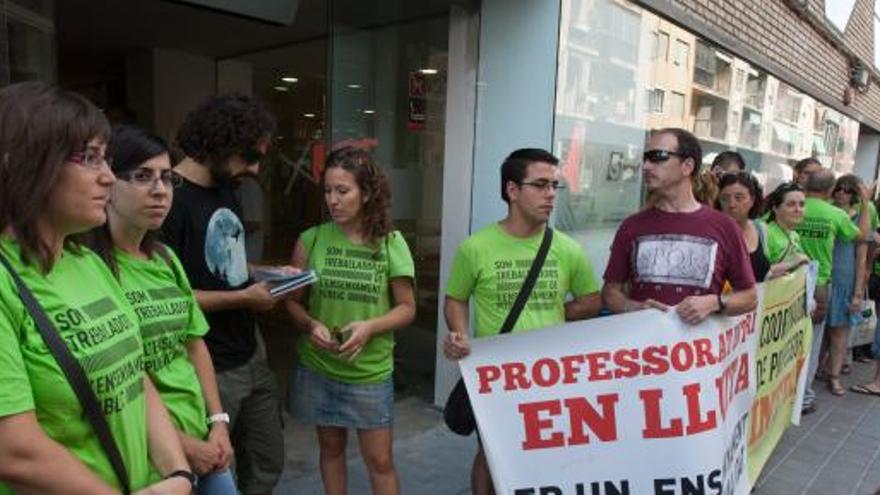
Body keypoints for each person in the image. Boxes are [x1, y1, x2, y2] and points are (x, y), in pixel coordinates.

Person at [0, 82, 191, 494]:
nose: (108, 177)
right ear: (27, 164)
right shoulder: (5, 279)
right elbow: (13, 450)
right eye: (89, 158)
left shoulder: (89, 262)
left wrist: (179, 473)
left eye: (105, 159)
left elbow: (134, 375)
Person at [84, 125, 237, 493]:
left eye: (167, 179)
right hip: (147, 453)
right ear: (107, 182)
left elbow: (194, 343)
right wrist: (184, 448)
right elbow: (116, 378)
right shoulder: (88, 267)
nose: (159, 191)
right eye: (141, 177)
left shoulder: (165, 259)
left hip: (203, 438)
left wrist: (217, 421)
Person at [443, 148, 602, 495]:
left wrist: (558, 314)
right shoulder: (476, 247)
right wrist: (459, 334)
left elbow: (592, 300)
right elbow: (455, 298)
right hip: (496, 373)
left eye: (555, 187)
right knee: (490, 454)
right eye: (540, 185)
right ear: (512, 191)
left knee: (543, 455)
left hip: (550, 374)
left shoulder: (567, 249)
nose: (550, 195)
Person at [162, 93, 285, 495]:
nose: (254, 167)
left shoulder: (225, 185)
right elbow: (166, 300)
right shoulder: (167, 201)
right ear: (220, 140)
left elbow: (223, 266)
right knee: (215, 472)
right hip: (209, 364)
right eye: (249, 154)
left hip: (252, 350)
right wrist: (244, 299)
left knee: (267, 462)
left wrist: (267, 272)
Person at [285, 147, 416, 495]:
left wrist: (370, 327)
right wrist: (311, 325)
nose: (333, 200)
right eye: (328, 191)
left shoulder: (390, 243)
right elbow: (292, 304)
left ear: (367, 193)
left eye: (342, 191)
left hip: (369, 372)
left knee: (381, 462)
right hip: (319, 368)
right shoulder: (311, 240)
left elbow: (407, 307)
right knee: (330, 451)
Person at [603, 128, 757, 324]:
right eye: (645, 158)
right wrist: (632, 307)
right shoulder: (631, 226)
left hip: (701, 351)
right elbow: (610, 292)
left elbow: (750, 297)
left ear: (687, 166)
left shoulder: (724, 226)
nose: (646, 166)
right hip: (642, 350)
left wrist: (714, 302)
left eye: (658, 157)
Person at [794, 168, 870, 414]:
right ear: (829, 190)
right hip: (818, 285)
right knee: (812, 342)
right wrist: (866, 203)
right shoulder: (835, 214)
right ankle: (803, 396)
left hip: (787, 279)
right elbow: (861, 236)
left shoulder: (793, 205)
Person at [820, 174, 871, 396]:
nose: (841, 192)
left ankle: (834, 376)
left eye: (847, 190)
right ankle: (817, 369)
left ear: (855, 196)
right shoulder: (826, 211)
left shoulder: (858, 218)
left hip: (845, 281)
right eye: (839, 188)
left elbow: (861, 258)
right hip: (824, 277)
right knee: (819, 331)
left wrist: (858, 292)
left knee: (839, 333)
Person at [715, 171, 770, 281]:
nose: (731, 204)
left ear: (752, 200)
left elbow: (764, 271)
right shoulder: (714, 232)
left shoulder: (760, 228)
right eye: (725, 198)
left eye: (739, 198)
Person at [763, 182, 810, 276]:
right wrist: (792, 263)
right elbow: (757, 272)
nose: (798, 209)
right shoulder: (766, 233)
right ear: (775, 208)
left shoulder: (794, 235)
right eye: (791, 204)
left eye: (802, 204)